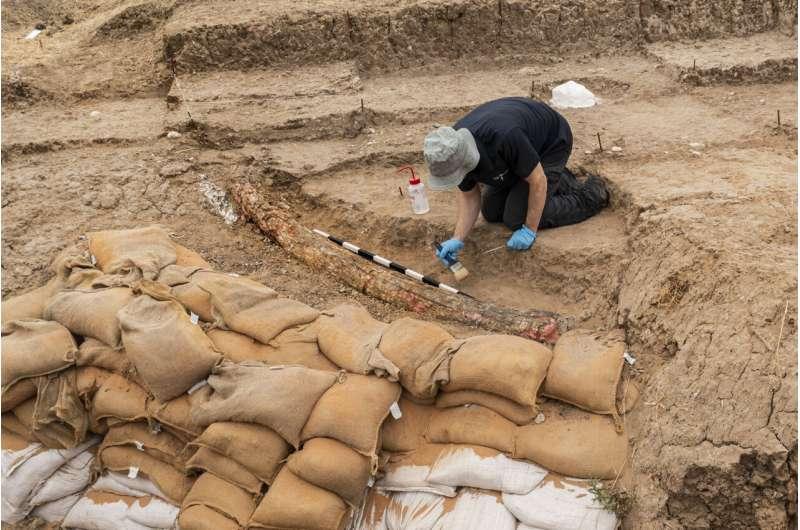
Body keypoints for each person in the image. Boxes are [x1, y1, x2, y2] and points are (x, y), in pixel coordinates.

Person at [423, 96, 609, 266]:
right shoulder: (451, 150)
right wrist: (458, 238)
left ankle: (591, 195)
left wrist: (530, 230)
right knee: (491, 212)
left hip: (550, 143)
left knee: (515, 218)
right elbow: (469, 195)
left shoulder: (502, 137)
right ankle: (552, 178)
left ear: (466, 160)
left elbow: (537, 180)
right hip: (517, 153)